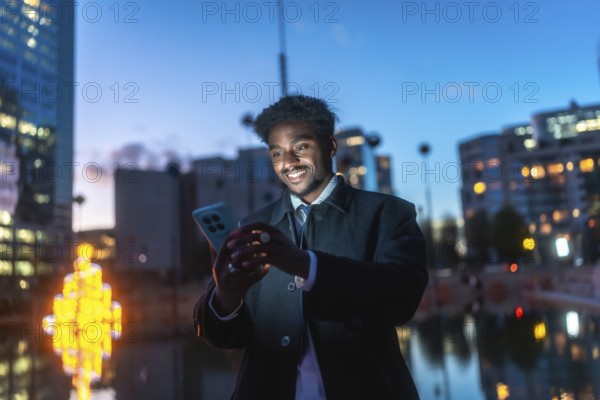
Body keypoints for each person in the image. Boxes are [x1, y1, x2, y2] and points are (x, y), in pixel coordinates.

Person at [193, 95, 428, 399]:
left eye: (300, 147)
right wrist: (225, 297)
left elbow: (401, 298)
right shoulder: (251, 226)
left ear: (330, 146)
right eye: (277, 153)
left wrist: (306, 265)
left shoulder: (387, 213)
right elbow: (223, 336)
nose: (288, 162)